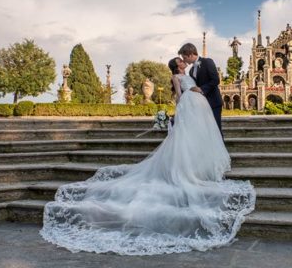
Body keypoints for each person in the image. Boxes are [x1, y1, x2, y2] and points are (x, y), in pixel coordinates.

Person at [40, 56, 255, 256]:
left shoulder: (191, 71)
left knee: (197, 139)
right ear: (177, 66)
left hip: (198, 107)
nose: (182, 62)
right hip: (189, 106)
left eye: (183, 59)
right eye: (180, 61)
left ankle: (198, 167)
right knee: (184, 142)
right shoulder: (176, 76)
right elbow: (179, 95)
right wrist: (178, 115)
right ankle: (184, 171)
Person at [178, 43, 223, 135]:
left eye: (185, 57)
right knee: (206, 131)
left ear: (190, 55)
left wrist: (201, 89)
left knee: (216, 130)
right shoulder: (191, 71)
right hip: (201, 105)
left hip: (213, 102)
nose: (184, 60)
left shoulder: (207, 62)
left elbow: (215, 80)